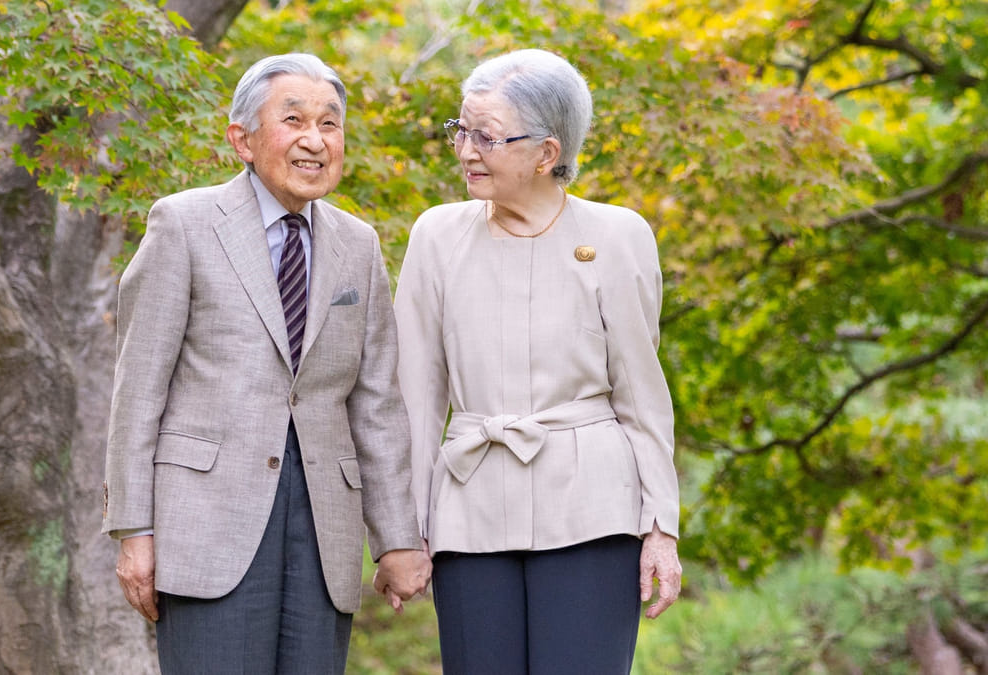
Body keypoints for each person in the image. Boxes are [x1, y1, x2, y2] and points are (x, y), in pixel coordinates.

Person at [102, 52, 431, 674]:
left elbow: (376, 404)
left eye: (330, 124)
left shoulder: (358, 244)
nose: (315, 140)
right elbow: (138, 390)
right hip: (204, 520)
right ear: (243, 139)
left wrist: (397, 538)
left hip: (324, 526)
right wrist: (133, 530)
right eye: (294, 120)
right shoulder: (184, 224)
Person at [393, 48, 682, 674]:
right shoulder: (436, 236)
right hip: (468, 511)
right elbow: (415, 398)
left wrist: (661, 527)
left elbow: (642, 394)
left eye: (487, 137)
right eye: (460, 131)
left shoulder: (618, 235)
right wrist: (403, 531)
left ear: (547, 153)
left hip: (592, 511)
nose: (467, 150)